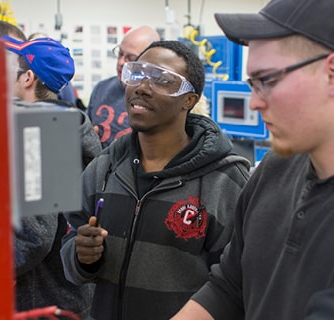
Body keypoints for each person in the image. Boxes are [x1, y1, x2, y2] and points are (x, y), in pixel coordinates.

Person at [171, 0, 334, 319]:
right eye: (252, 84)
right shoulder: (275, 169)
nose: (254, 102)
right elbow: (228, 288)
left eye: (267, 81)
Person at [60, 40, 251, 320]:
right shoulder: (105, 168)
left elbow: (235, 285)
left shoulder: (224, 181)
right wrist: (83, 258)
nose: (143, 87)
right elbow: (71, 248)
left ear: (189, 99)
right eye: (137, 74)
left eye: (162, 79)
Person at [2, 36, 102, 319]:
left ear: (28, 78)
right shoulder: (52, 126)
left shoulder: (46, 136)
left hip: (46, 300)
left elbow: (33, 237)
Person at [87, 25, 160, 148]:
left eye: (130, 58)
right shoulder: (101, 88)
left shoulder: (159, 98)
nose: (121, 62)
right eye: (120, 54)